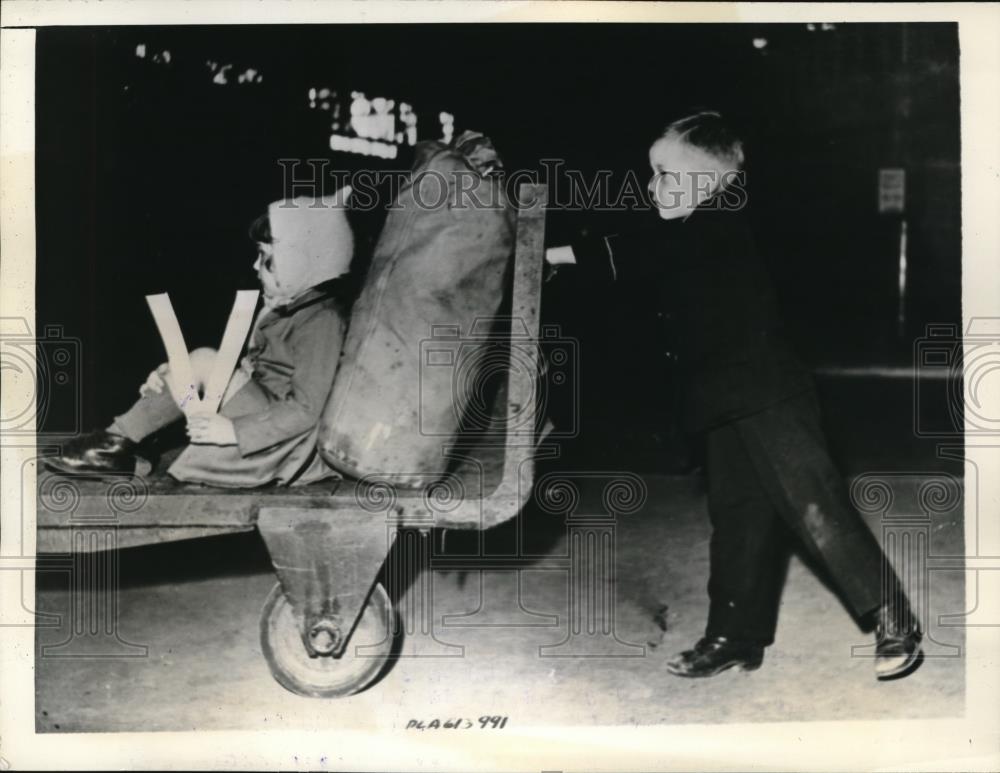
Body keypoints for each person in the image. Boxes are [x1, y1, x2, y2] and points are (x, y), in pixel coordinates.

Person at [550, 111, 922, 680]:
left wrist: (550, 257)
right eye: (652, 174)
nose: (653, 188)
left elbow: (636, 254)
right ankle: (734, 636)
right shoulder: (687, 225)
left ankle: (893, 619)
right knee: (739, 517)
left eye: (666, 175)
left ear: (713, 182)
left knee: (814, 506)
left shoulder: (723, 222)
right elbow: (642, 250)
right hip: (719, 397)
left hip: (768, 394)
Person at [45, 191, 355, 488]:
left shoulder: (322, 320)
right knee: (186, 366)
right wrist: (175, 378)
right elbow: (252, 373)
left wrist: (233, 430)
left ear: (300, 261)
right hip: (263, 415)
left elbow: (305, 409)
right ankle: (131, 451)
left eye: (265, 257)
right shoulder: (287, 308)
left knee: (204, 360)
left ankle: (112, 444)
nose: (255, 266)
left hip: (281, 441)